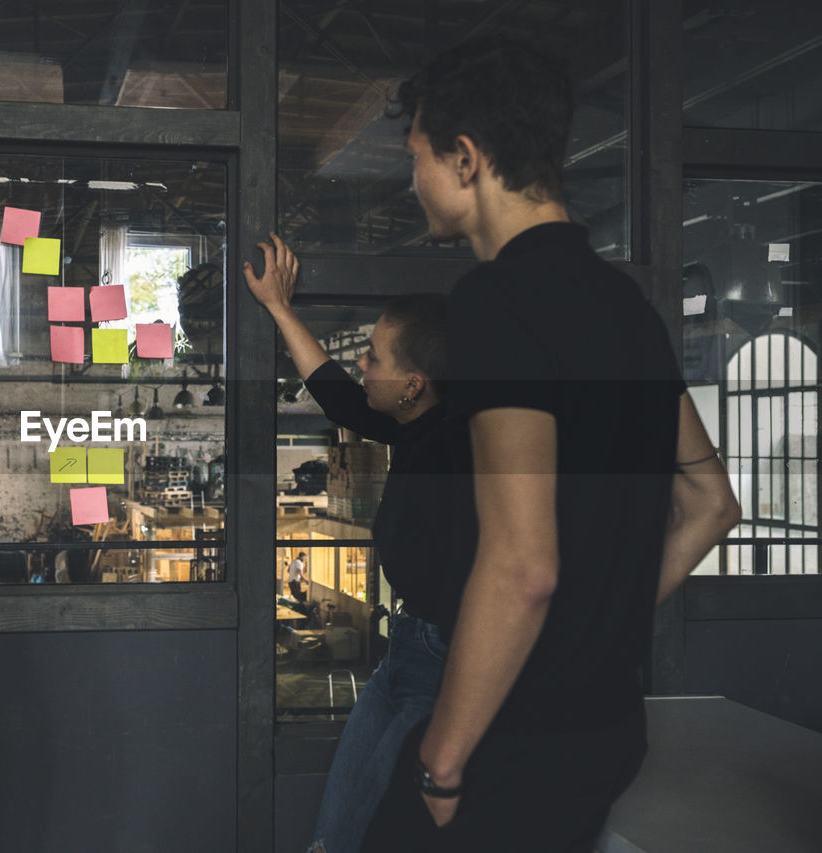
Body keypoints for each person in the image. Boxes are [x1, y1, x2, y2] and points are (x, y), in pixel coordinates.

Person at [361, 35, 740, 851]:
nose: (411, 177)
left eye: (416, 155)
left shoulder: (498, 304)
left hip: (510, 737)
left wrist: (443, 761)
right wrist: (596, 629)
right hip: (606, 731)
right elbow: (712, 504)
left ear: (466, 159)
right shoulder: (627, 308)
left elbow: (523, 563)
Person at [244, 234, 470, 853]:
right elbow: (338, 393)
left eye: (373, 356)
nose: (362, 365)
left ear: (414, 384)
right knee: (341, 825)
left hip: (449, 659)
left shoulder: (460, 447)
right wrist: (281, 309)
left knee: (383, 822)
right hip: (407, 645)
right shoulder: (412, 423)